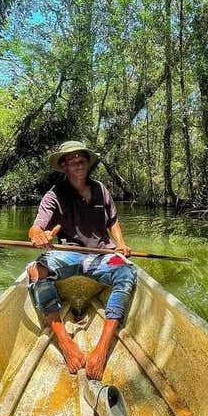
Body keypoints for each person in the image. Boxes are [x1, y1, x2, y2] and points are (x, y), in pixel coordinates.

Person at [26, 141, 136, 380]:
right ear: (63, 165)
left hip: (102, 256)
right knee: (37, 271)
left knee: (126, 271)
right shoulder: (53, 195)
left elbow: (112, 222)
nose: (78, 163)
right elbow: (36, 228)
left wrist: (120, 244)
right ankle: (64, 341)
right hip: (69, 254)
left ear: (88, 163)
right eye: (71, 160)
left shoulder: (101, 190)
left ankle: (103, 347)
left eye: (82, 159)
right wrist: (38, 236)